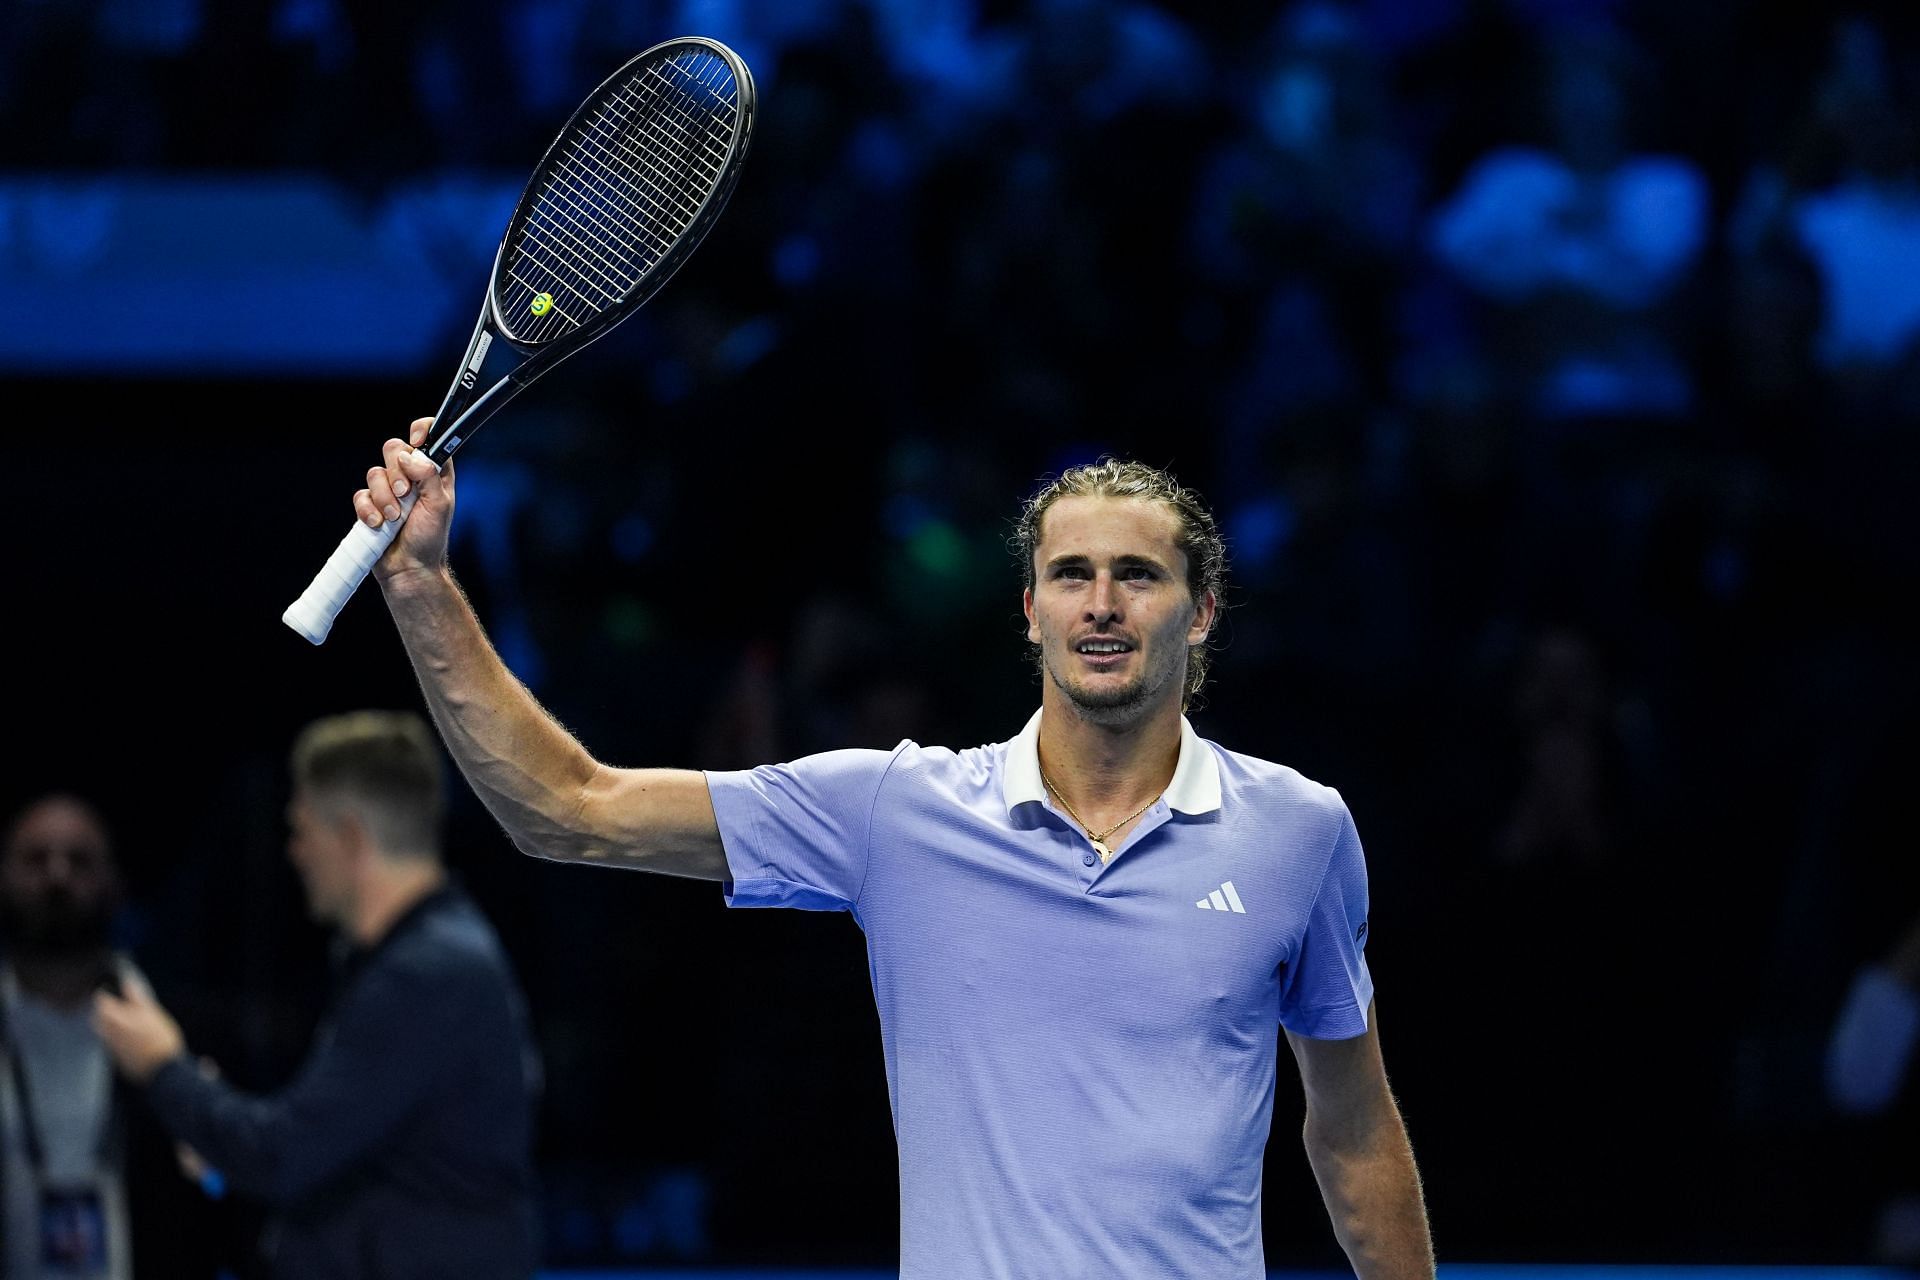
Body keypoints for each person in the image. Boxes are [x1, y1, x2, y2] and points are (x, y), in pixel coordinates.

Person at [356, 422, 1434, 1279]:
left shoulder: (1300, 829)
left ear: (1200, 612)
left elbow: (1351, 1127)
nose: (1101, 603)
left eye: (1136, 575)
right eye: (1070, 574)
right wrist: (419, 587)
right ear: (1029, 610)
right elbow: (567, 806)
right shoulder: (895, 809)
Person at [90, 711, 542, 1280]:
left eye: (300, 829)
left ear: (350, 837)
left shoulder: (428, 972)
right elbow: (332, 1155)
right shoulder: (424, 960)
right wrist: (219, 1141)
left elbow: (285, 1156)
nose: (295, 852)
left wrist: (160, 1065)